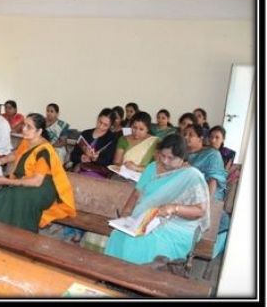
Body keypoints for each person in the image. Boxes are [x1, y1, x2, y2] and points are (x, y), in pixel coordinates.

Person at [104, 134, 210, 265]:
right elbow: (136, 194)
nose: (165, 161)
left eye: (171, 158)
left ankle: (136, 281)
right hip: (144, 220)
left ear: (182, 158)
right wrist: (126, 215)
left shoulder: (191, 176)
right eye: (163, 155)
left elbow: (200, 211)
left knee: (145, 242)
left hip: (177, 226)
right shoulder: (152, 167)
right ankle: (114, 277)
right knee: (118, 235)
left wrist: (174, 208)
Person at [0, 113, 76, 233]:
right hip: (27, 182)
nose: (24, 129)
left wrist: (7, 181)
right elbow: (16, 154)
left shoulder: (44, 150)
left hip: (43, 188)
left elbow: (37, 182)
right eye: (24, 125)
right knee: (1, 196)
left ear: (39, 131)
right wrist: (1, 160)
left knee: (13, 196)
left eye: (29, 127)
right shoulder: (28, 141)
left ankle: (21, 236)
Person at [184, 124, 227, 201]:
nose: (186, 137)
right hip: (187, 193)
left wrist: (206, 205)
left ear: (200, 139)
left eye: (190, 135)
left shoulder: (212, 154)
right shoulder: (182, 153)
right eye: (184, 134)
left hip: (207, 197)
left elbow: (213, 181)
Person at [70, 108, 117, 173]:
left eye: (105, 125)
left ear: (110, 126)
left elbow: (109, 162)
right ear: (98, 118)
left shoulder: (112, 138)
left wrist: (96, 159)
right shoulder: (85, 133)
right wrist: (81, 158)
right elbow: (72, 156)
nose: (101, 126)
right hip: (80, 168)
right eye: (100, 122)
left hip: (98, 172)